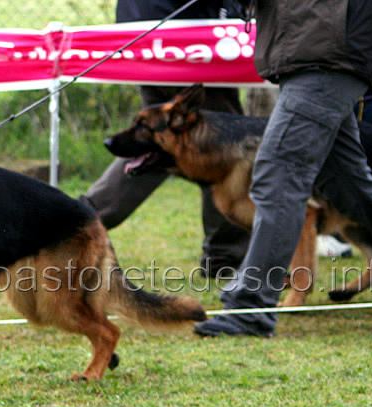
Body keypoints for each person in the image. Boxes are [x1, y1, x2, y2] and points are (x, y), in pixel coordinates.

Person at [194, 0, 372, 337]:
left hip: (327, 52)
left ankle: (250, 309)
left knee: (277, 175)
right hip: (317, 51)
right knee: (349, 184)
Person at [81, 0, 251, 277]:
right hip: (187, 39)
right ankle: (225, 257)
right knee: (222, 151)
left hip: (143, 34)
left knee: (158, 147)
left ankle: (86, 213)